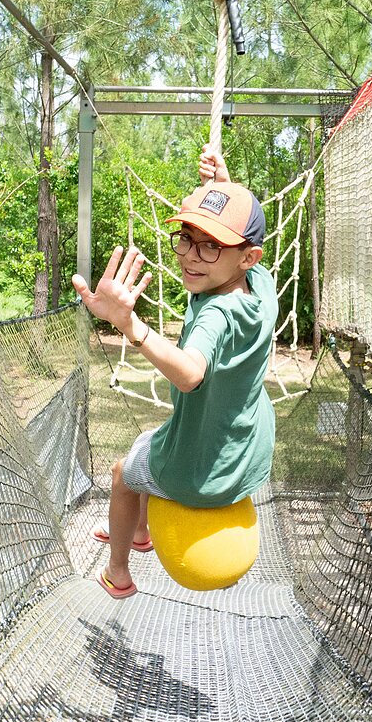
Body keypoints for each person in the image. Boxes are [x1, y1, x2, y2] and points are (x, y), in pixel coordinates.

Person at [72, 145, 278, 598]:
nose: (190, 255)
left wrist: (131, 326)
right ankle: (141, 531)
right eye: (187, 237)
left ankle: (119, 572)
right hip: (245, 446)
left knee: (124, 473)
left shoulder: (217, 315)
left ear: (248, 256)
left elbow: (189, 374)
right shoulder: (261, 287)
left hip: (204, 468)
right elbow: (228, 236)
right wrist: (221, 183)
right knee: (150, 437)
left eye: (210, 247)